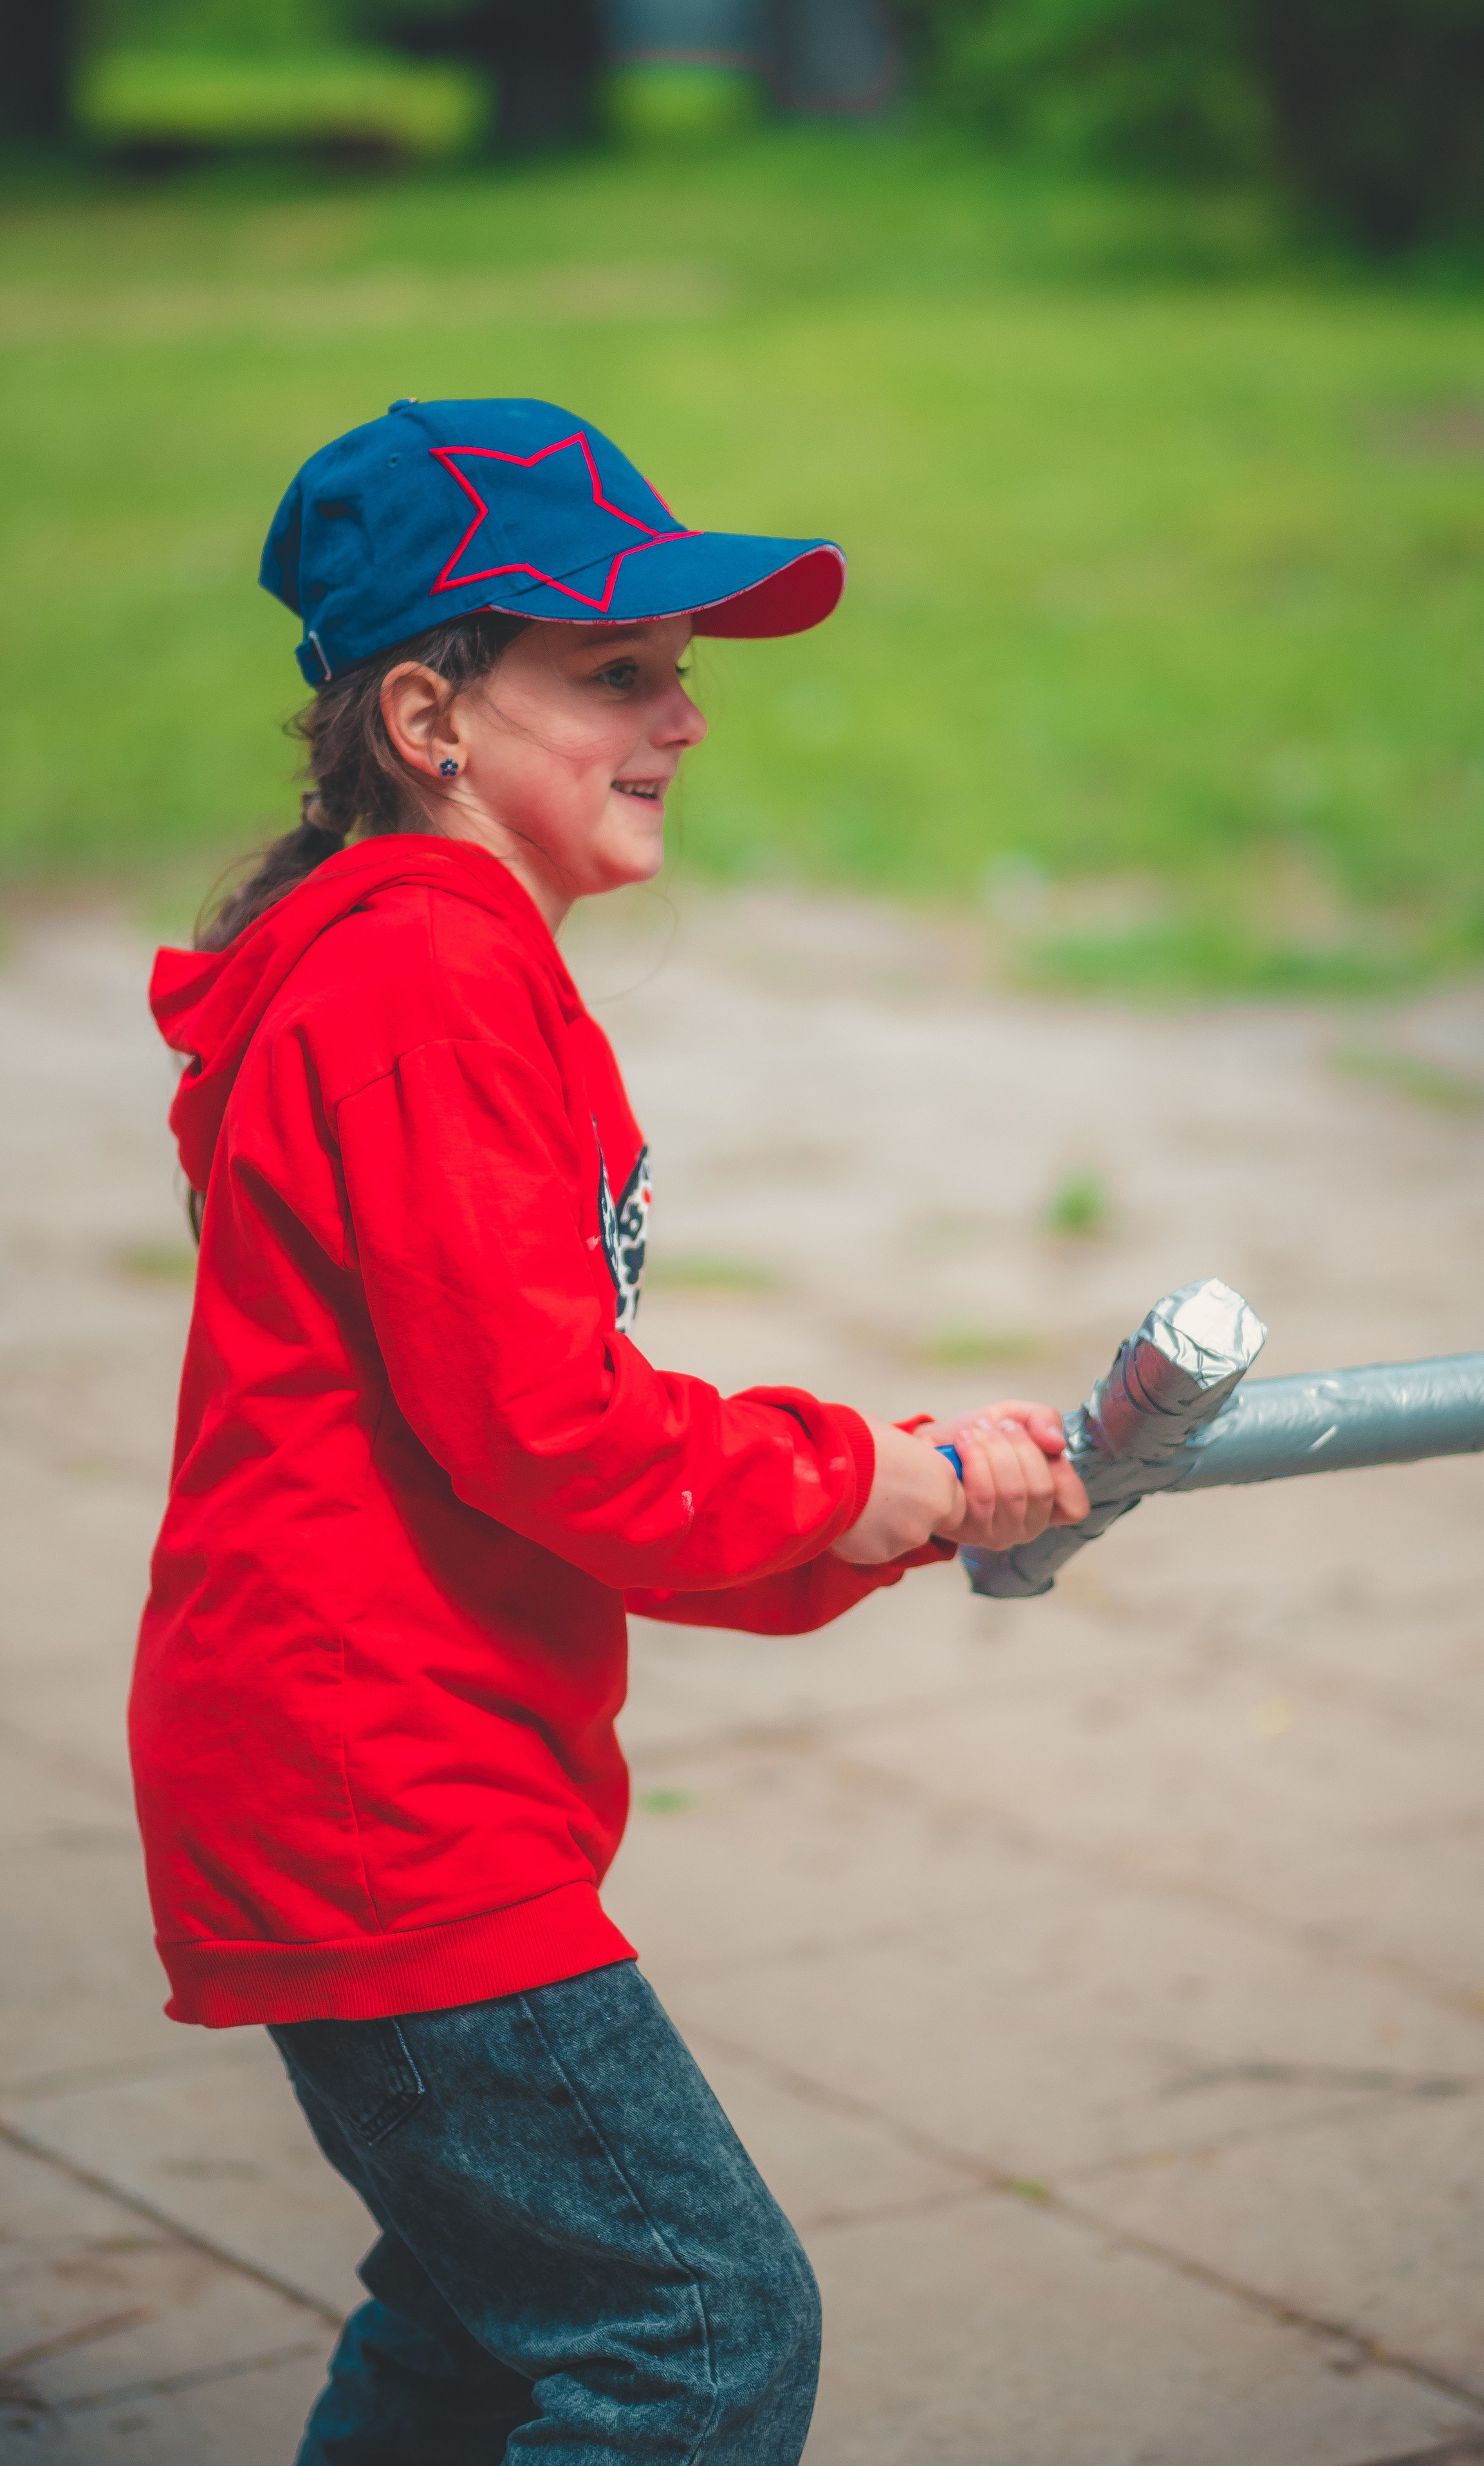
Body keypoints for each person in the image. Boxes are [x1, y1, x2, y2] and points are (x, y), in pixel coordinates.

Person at [131, 396, 1088, 2466]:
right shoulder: (423, 988)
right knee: (695, 2326)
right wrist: (863, 1480)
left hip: (377, 1768)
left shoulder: (427, 966)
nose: (685, 716)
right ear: (428, 715)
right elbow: (561, 1436)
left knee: (492, 2330)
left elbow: (535, 1449)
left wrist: (882, 1506)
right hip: (384, 1794)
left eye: (681, 672)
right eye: (619, 671)